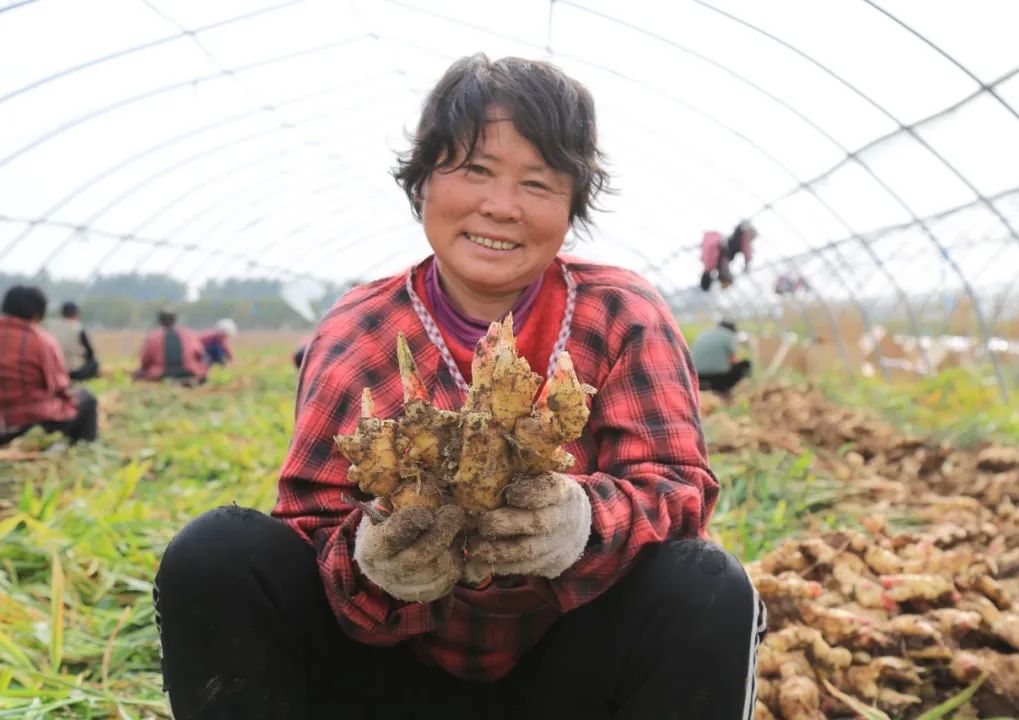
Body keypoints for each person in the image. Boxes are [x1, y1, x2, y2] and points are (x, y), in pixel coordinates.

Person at [154, 54, 764, 719]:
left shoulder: (620, 313)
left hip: (567, 669)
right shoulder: (357, 333)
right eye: (474, 170)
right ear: (423, 184)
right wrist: (370, 563)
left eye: (537, 182)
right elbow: (309, 524)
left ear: (570, 206)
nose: (501, 207)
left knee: (709, 586)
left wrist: (580, 523)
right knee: (219, 555)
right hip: (392, 673)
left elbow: (675, 487)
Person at [0, 286, 98, 445]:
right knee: (86, 398)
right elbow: (60, 386)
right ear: (38, 314)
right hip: (29, 423)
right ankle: (81, 448)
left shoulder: (50, 330)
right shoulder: (41, 340)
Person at [135, 308, 207, 385]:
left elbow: (145, 361)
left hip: (161, 374)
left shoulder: (153, 337)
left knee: (138, 374)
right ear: (175, 320)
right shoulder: (188, 335)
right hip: (189, 372)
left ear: (160, 321)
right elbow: (200, 354)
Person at [692, 320, 752, 398]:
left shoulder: (703, 334)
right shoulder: (729, 336)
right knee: (746, 364)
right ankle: (726, 393)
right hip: (719, 380)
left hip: (698, 378)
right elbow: (733, 360)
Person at [45, 301, 99, 380]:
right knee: (94, 363)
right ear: (76, 314)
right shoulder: (78, 328)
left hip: (54, 371)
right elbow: (90, 353)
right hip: (74, 372)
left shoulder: (51, 327)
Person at [700, 221, 757, 292]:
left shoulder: (711, 263)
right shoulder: (709, 264)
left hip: (728, 246)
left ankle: (726, 282)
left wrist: (747, 261)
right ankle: (726, 282)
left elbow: (744, 247)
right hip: (728, 246)